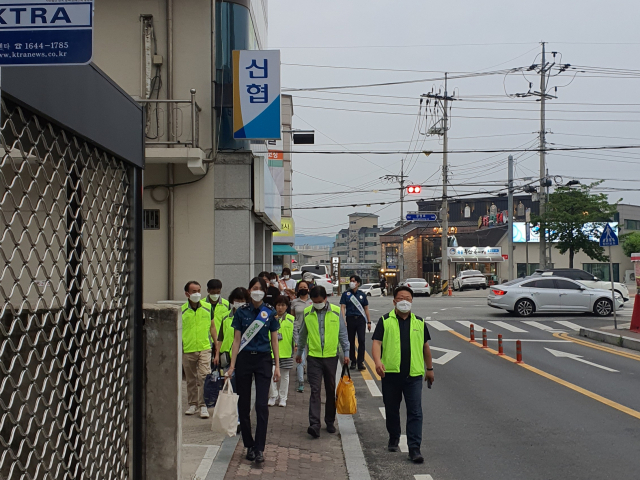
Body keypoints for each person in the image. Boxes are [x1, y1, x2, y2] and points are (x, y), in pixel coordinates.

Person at [371, 286, 434, 464]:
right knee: (391, 409)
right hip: (390, 374)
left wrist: (429, 369)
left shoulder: (419, 323)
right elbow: (376, 343)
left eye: (407, 298)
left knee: (415, 412)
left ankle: (414, 448)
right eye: (400, 298)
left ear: (412, 301)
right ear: (394, 301)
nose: (404, 301)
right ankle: (394, 436)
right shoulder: (385, 321)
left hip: (413, 375)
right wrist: (377, 362)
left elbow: (425, 347)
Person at [226, 277, 281, 464]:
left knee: (261, 406)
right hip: (244, 359)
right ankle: (248, 445)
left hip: (264, 359)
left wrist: (277, 366)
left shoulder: (270, 313)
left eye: (260, 288)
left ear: (265, 291)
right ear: (249, 291)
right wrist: (232, 365)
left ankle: (259, 448)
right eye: (254, 288)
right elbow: (236, 340)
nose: (257, 291)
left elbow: (274, 341)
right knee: (243, 405)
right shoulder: (241, 313)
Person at [296, 285, 350, 438]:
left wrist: (346, 353)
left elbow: (343, 334)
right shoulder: (307, 312)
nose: (316, 303)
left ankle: (330, 421)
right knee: (314, 390)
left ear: (325, 298)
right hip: (313, 357)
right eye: (314, 301)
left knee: (330, 389)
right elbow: (302, 335)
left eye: (319, 301)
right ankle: (314, 424)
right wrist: (300, 353)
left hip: (331, 356)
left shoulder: (336, 311)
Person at [181, 281, 217, 419]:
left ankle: (203, 405)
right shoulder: (182, 310)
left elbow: (212, 327)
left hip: (204, 347)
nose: (197, 294)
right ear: (187, 294)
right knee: (190, 379)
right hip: (188, 348)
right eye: (194, 291)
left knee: (204, 376)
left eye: (199, 291)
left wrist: (216, 346)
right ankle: (193, 403)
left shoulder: (208, 308)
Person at [216, 287, 250, 387]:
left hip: (244, 355)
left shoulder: (250, 317)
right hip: (227, 357)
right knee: (229, 385)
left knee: (243, 385)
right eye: (237, 300)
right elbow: (220, 337)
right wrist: (217, 354)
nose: (239, 303)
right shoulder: (226, 316)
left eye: (242, 301)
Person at [340, 275, 372, 371]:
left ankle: (360, 361)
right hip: (350, 319)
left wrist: (369, 322)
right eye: (351, 281)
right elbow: (342, 307)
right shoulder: (346, 294)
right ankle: (353, 361)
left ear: (358, 283)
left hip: (360, 320)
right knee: (350, 341)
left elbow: (366, 309)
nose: (352, 282)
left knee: (361, 340)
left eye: (353, 281)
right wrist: (343, 319)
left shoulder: (362, 295)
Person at [269, 295, 296, 407]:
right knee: (271, 373)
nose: (280, 308)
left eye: (283, 305)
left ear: (287, 307)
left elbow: (296, 334)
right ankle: (273, 395)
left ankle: (283, 397)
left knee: (285, 375)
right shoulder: (270, 318)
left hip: (286, 352)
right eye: (278, 305)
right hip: (271, 351)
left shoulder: (291, 319)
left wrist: (297, 345)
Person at [291, 280, 313, 392]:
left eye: (305, 287)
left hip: (311, 332)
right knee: (300, 358)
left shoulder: (313, 301)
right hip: (299, 331)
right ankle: (300, 382)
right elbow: (292, 319)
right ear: (297, 289)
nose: (303, 289)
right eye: (300, 287)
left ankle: (310, 377)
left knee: (311, 357)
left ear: (308, 289)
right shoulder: (294, 302)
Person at [206, 279, 230, 347]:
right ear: (208, 291)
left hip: (221, 340)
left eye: (218, 292)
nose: (215, 295)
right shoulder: (202, 304)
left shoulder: (226, 304)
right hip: (207, 340)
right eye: (213, 292)